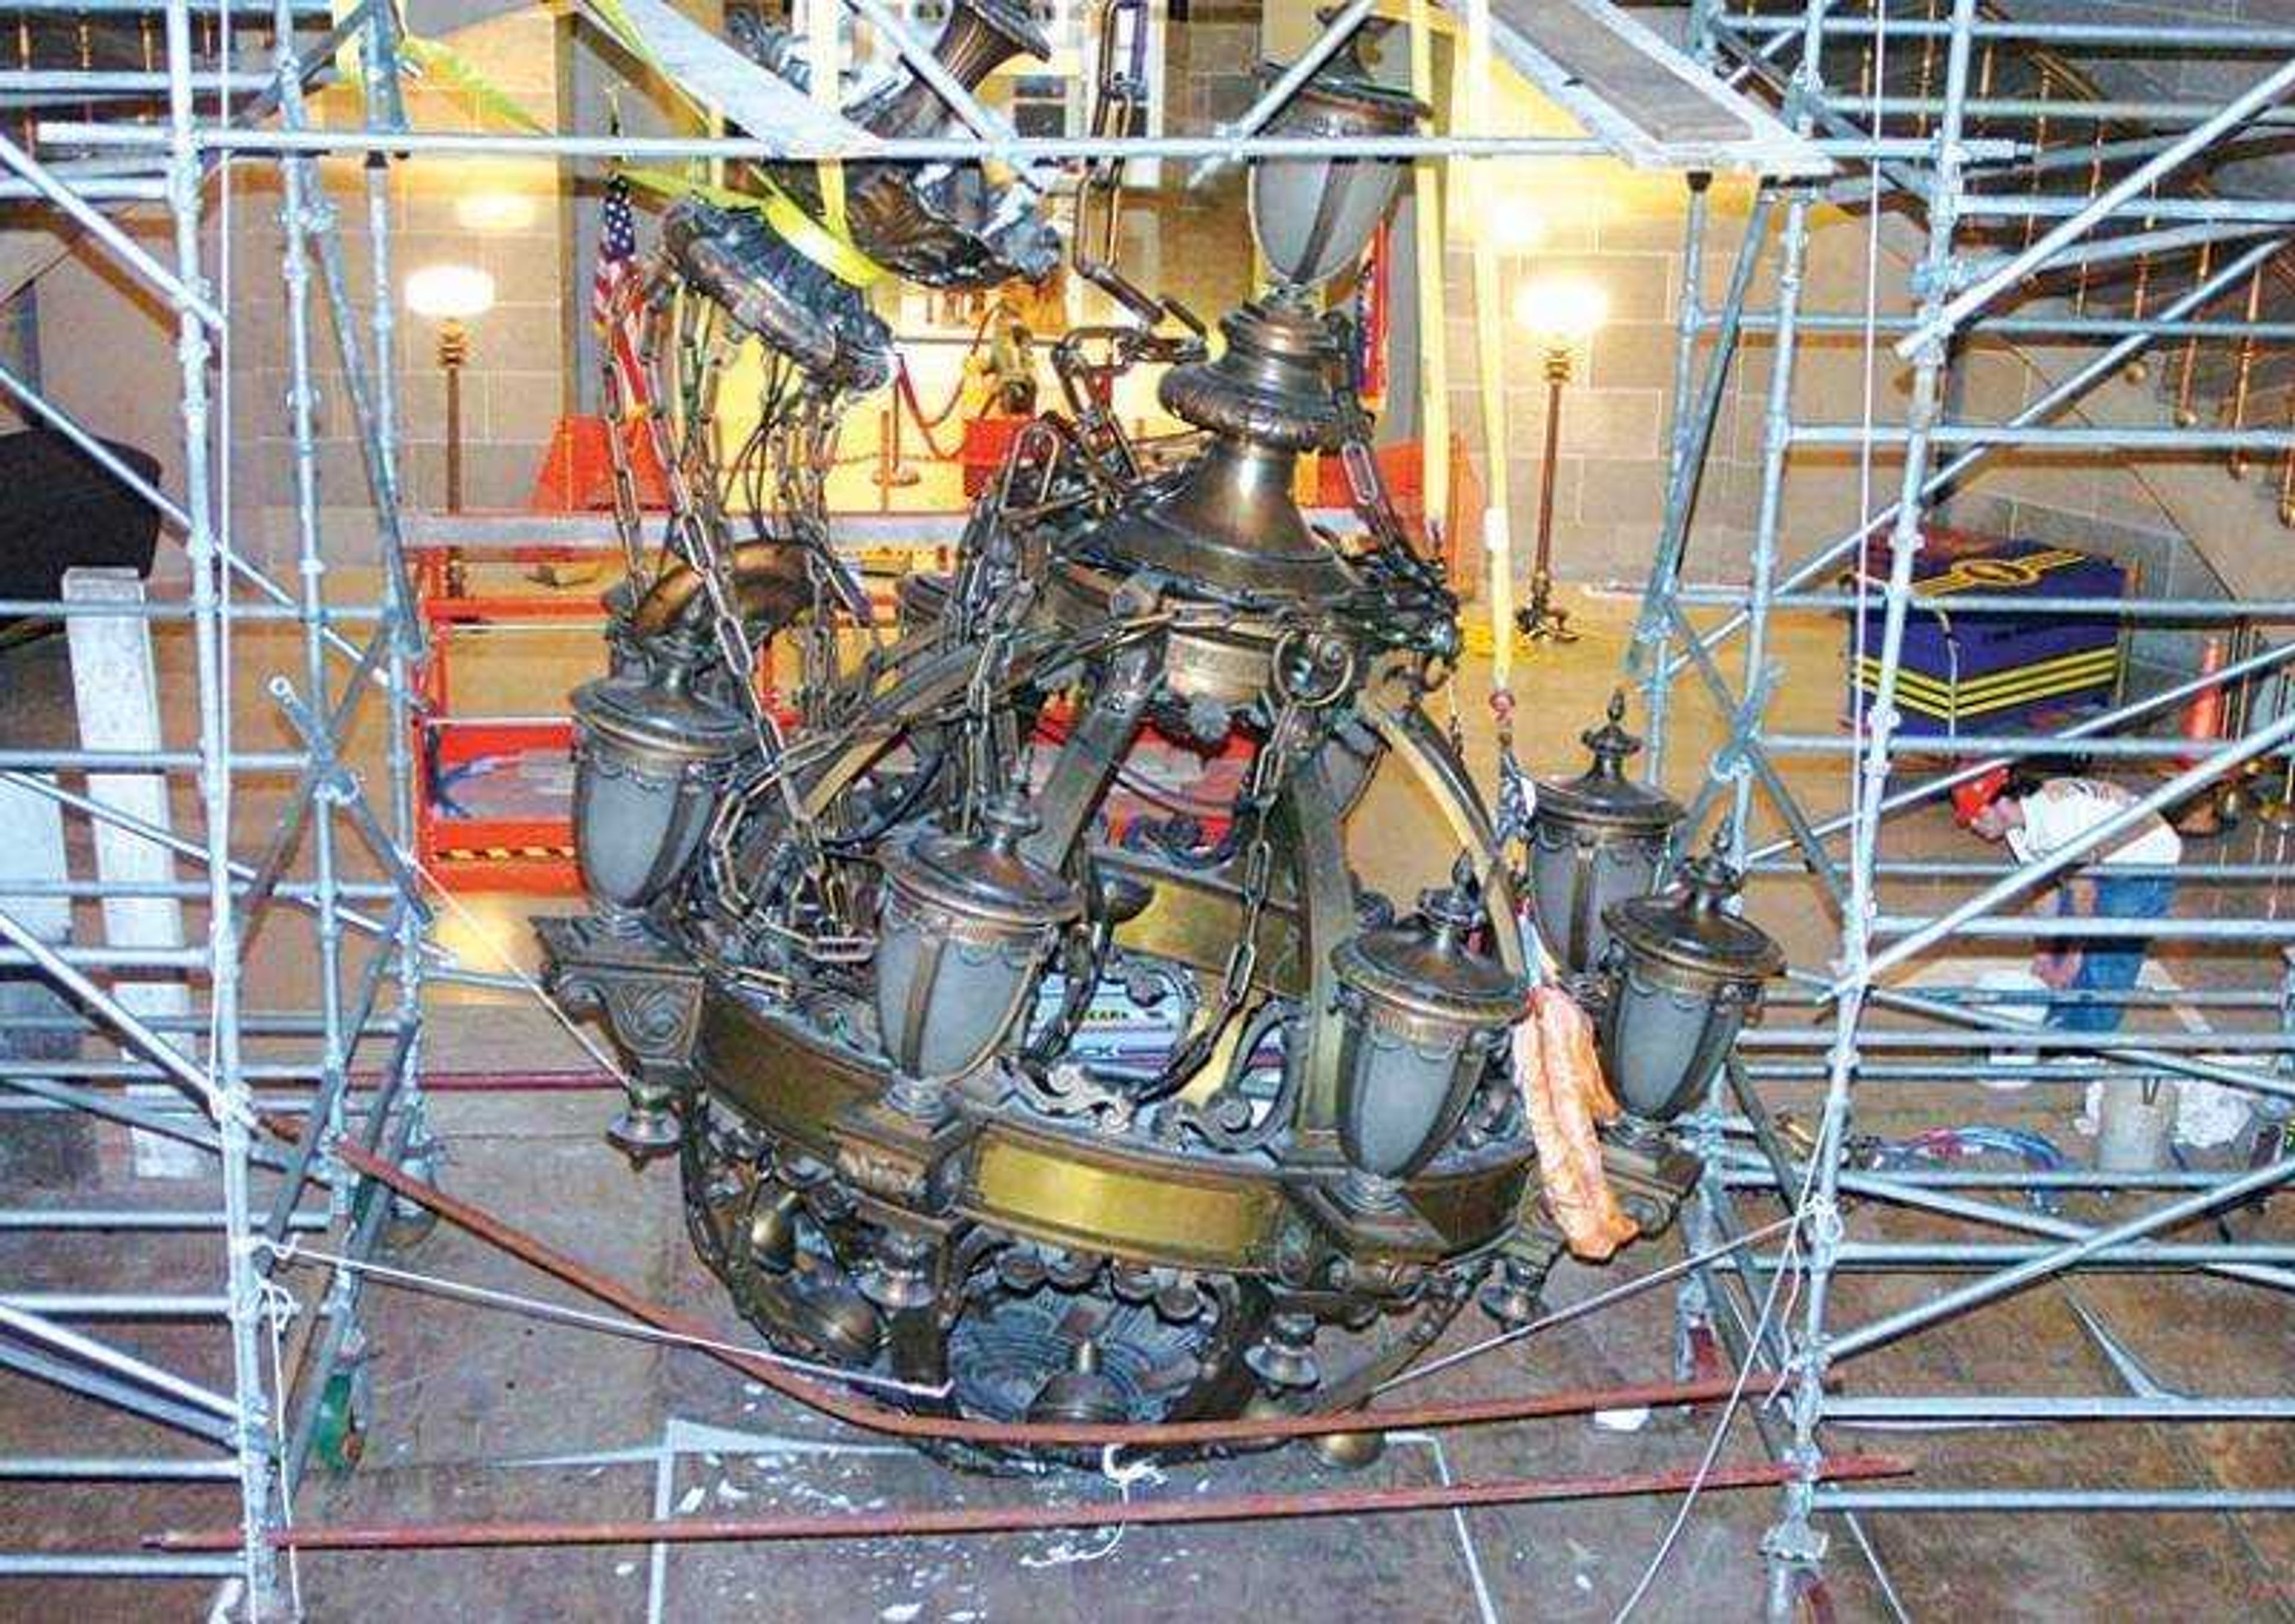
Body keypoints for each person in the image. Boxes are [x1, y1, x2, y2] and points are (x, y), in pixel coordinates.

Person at [1956, 769, 2183, 1033]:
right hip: (2102, 857)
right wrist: (2045, 953)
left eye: (1977, 816)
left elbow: (2084, 890)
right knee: (2063, 946)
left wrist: (2072, 957)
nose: (1973, 826)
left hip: (2144, 858)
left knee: (2104, 958)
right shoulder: (2018, 827)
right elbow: (2043, 886)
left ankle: (2088, 1050)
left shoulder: (2054, 820)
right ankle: (2063, 1020)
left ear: (2003, 803)